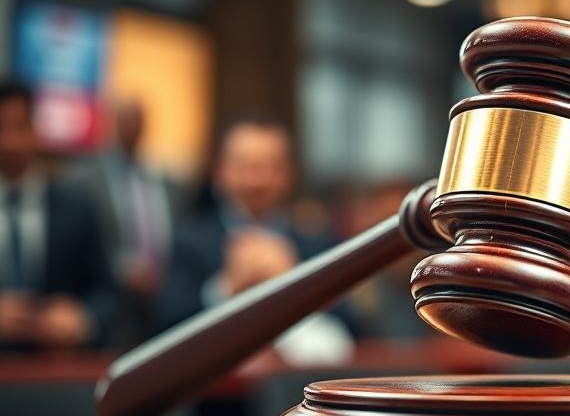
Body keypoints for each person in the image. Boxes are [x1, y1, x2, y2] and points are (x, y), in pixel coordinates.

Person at [157, 117, 354, 365]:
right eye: (244, 166)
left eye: (270, 167)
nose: (257, 180)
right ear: (220, 172)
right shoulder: (190, 242)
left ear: (288, 174)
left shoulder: (317, 244)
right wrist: (225, 288)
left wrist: (295, 283)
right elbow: (165, 330)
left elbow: (353, 328)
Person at [0, 80, 115, 349]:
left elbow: (110, 294)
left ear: (36, 130)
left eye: (21, 127)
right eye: (1, 128)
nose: (10, 142)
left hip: (57, 371)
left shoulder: (77, 207)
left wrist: (84, 317)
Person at [70, 98, 178, 345]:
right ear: (114, 124)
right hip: (110, 300)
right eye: (126, 120)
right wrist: (123, 269)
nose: (133, 127)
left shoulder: (163, 181)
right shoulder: (84, 177)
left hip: (162, 298)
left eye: (138, 121)